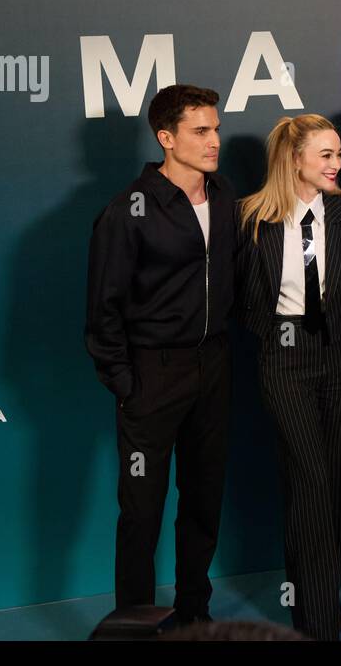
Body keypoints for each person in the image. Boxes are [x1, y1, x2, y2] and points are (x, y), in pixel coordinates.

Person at [84, 84, 236, 623]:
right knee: (142, 513)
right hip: (153, 375)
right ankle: (134, 626)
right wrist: (127, 384)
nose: (214, 140)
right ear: (166, 138)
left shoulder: (224, 197)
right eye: (200, 131)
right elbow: (102, 311)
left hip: (214, 370)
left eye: (215, 128)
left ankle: (196, 613)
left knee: (203, 501)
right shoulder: (128, 211)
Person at [236, 115, 341, 641]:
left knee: (330, 484)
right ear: (295, 158)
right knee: (309, 480)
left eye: (339, 154)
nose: (337, 164)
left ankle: (319, 598)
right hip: (284, 358)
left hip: (338, 355)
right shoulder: (252, 219)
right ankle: (320, 623)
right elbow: (244, 298)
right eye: (326, 154)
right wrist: (275, 335)